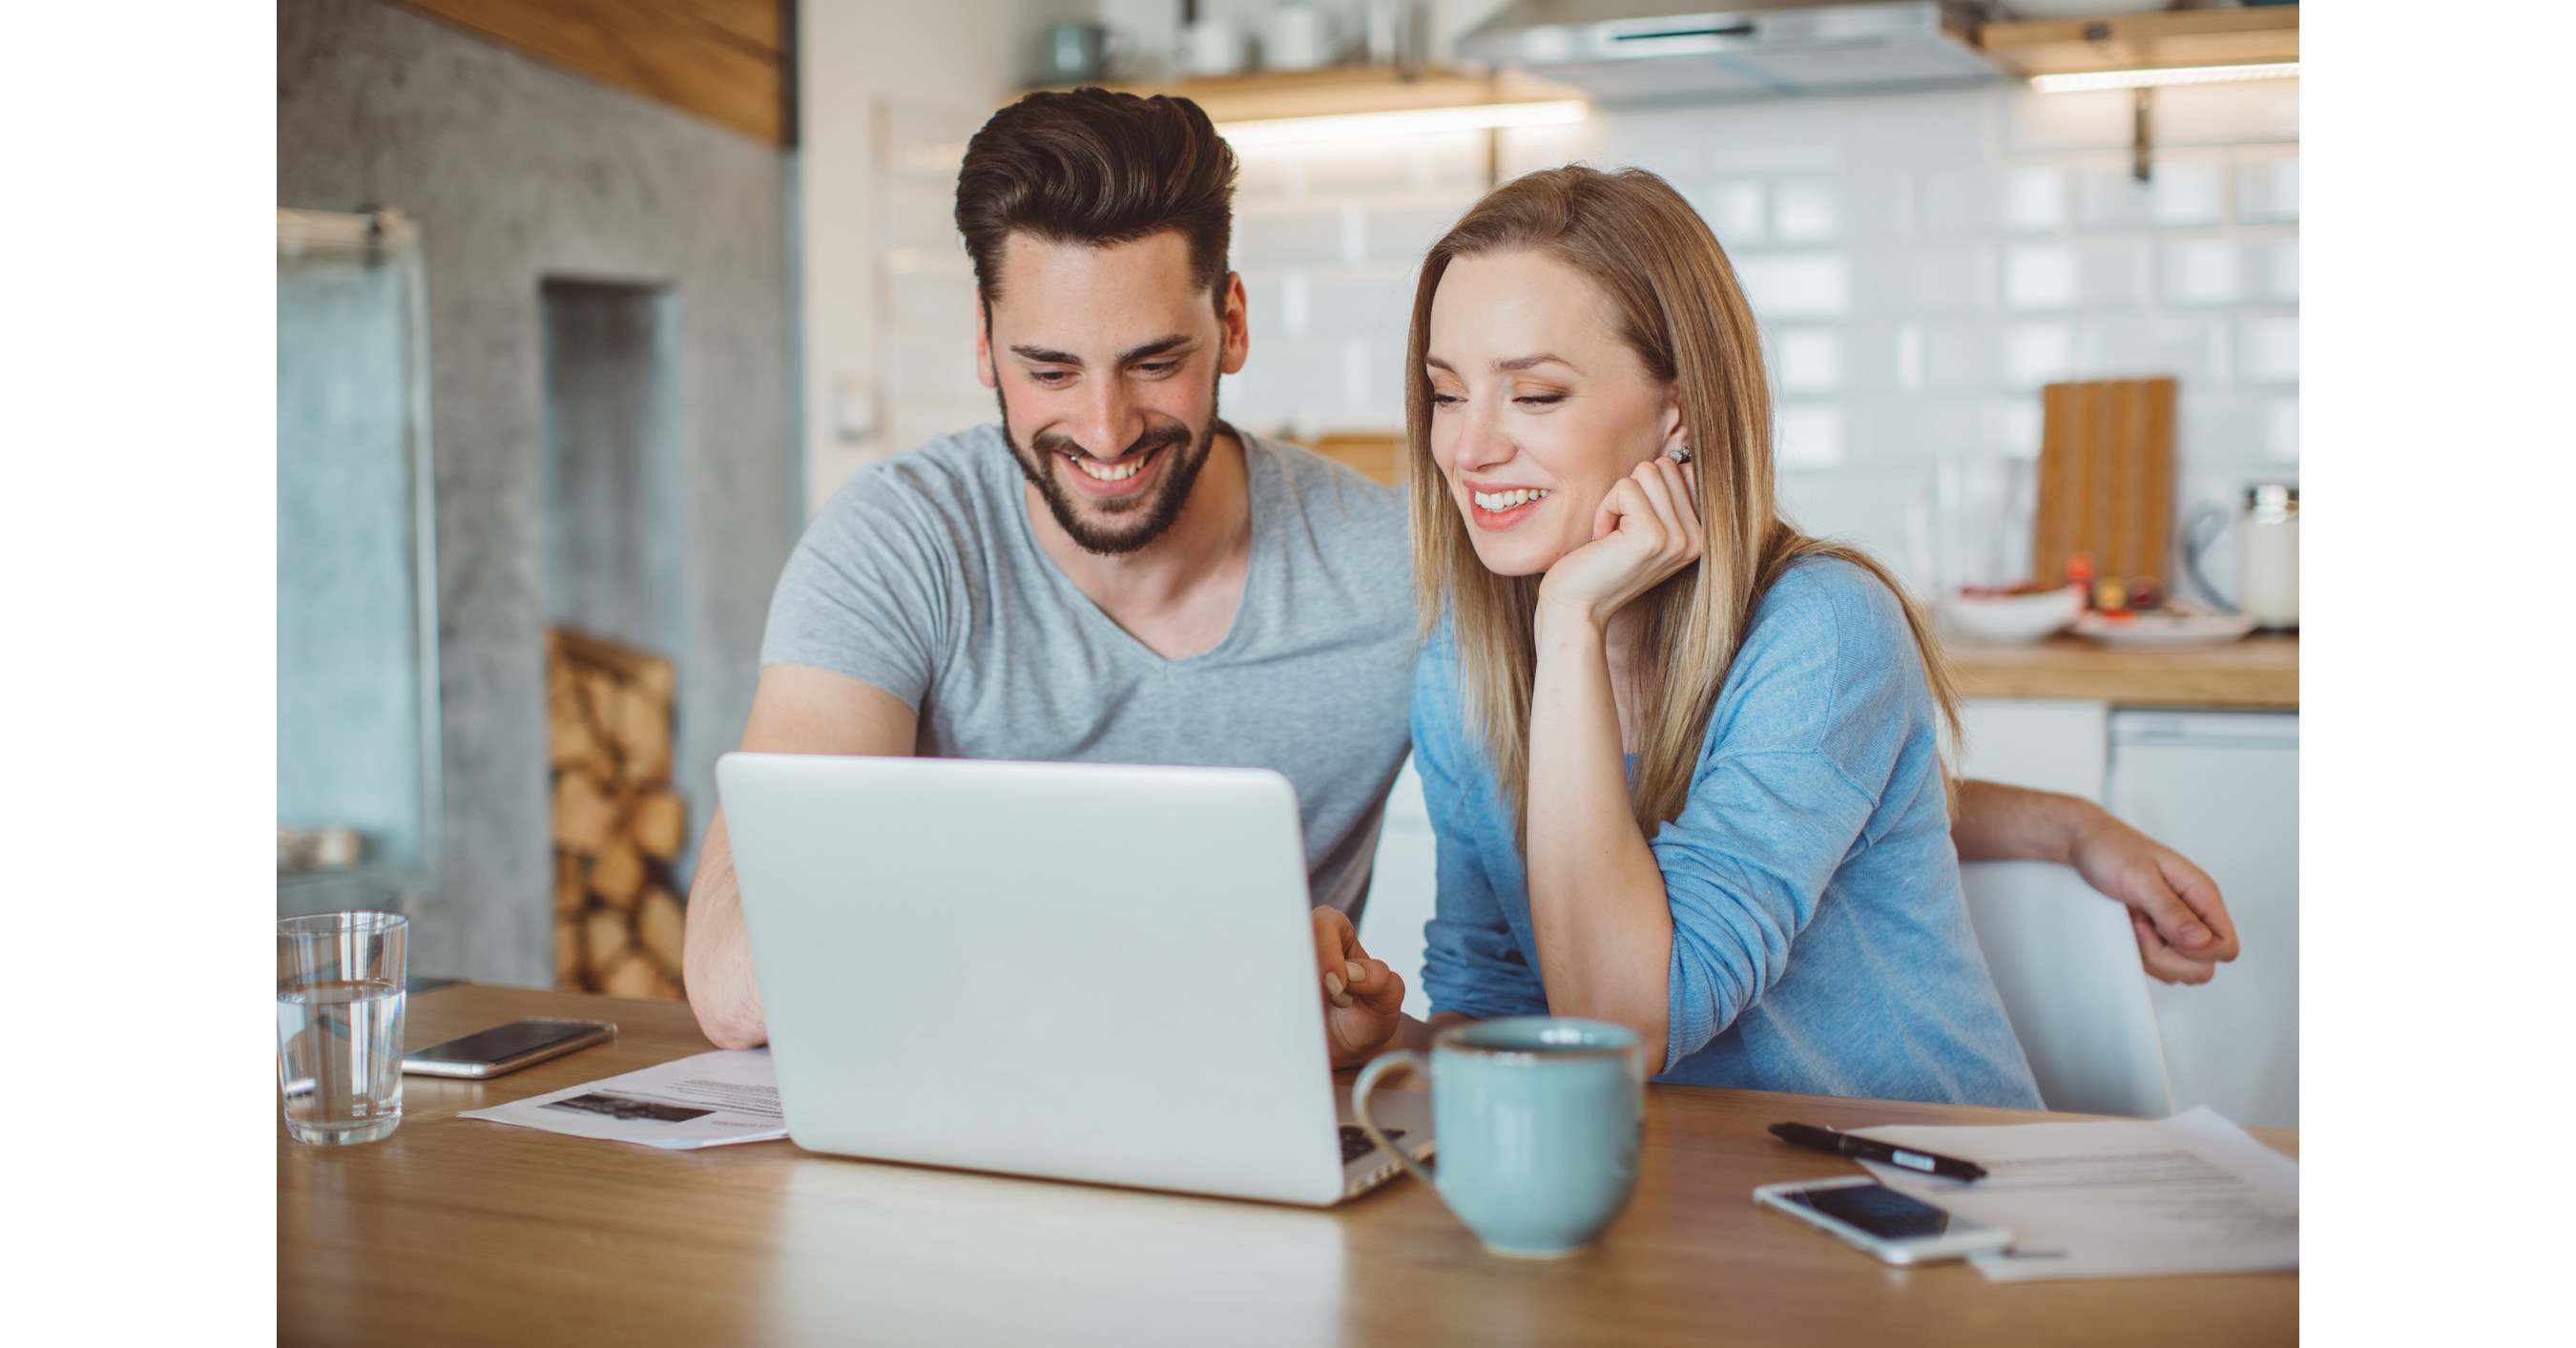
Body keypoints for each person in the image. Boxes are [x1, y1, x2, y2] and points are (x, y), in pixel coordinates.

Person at [682, 90, 2237, 1053]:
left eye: (1153, 360)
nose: (1101, 426)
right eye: (1445, 388)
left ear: (1233, 328)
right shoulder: (907, 544)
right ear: (983, 354)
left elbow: (1732, 796)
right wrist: (1386, 1037)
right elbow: (750, 983)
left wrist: (2029, 820)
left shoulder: (1413, 586)